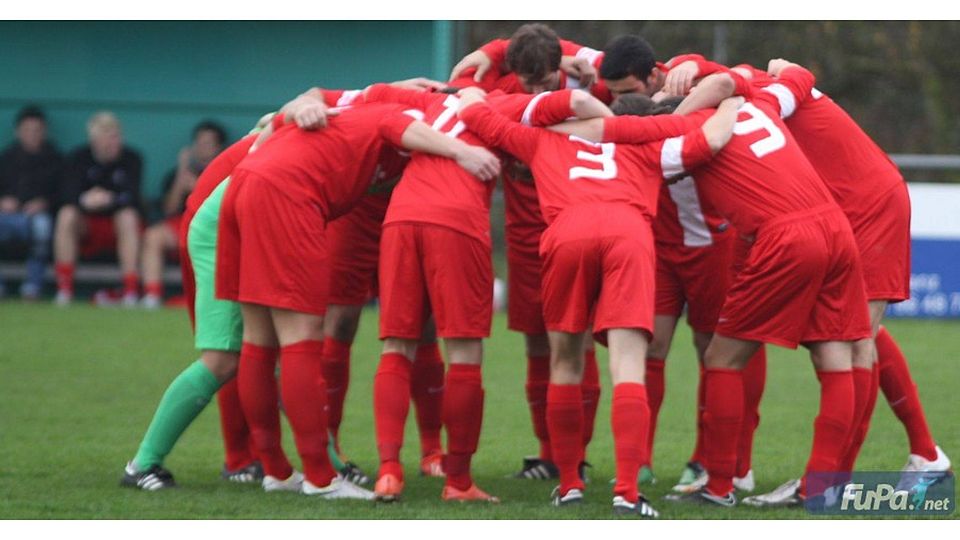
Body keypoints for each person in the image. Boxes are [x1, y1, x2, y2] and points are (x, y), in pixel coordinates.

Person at [675, 59, 952, 505]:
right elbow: (792, 75)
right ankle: (770, 474)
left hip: (861, 205)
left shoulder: (739, 87)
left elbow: (744, 79)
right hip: (827, 209)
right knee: (848, 338)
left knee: (853, 341)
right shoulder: (755, 90)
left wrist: (676, 106)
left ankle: (834, 483)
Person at [456, 85, 741, 516]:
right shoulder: (647, 144)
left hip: (567, 233)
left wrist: (479, 92)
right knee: (627, 364)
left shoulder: (542, 139)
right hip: (627, 233)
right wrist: (734, 99)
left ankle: (570, 483)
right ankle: (627, 491)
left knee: (565, 360)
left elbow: (476, 114)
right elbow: (712, 138)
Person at [216, 94, 500, 500]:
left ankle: (276, 469)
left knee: (259, 341)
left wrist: (295, 111)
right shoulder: (389, 115)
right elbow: (401, 125)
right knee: (301, 338)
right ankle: (320, 477)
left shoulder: (350, 116)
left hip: (246, 184)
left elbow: (281, 121)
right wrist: (463, 152)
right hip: (286, 195)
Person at [362, 84, 611, 503]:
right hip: (457, 221)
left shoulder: (429, 101)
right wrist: (620, 131)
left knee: (396, 347)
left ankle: (389, 471)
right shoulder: (503, 104)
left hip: (401, 217)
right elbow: (581, 103)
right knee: (463, 354)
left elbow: (378, 109)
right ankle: (458, 480)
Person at [54, 111, 143, 306]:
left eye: (115, 137)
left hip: (117, 227)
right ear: (94, 140)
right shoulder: (78, 157)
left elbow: (133, 198)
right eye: (107, 139)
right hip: (86, 227)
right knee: (66, 214)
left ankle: (130, 291)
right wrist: (85, 200)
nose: (113, 143)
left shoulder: (132, 158)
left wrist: (109, 199)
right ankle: (65, 289)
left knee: (128, 216)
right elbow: (66, 196)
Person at [140, 120, 227, 308]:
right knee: (153, 236)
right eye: (199, 143)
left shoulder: (226, 172)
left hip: (212, 226)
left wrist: (199, 189)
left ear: (218, 147)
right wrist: (181, 174)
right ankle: (152, 296)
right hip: (181, 222)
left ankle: (209, 300)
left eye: (208, 143)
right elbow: (169, 209)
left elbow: (224, 210)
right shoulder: (178, 173)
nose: (203, 148)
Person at [0, 105, 61, 300]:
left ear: (44, 132)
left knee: (42, 225)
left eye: (37, 130)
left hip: (38, 218)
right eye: (27, 130)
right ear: (18, 131)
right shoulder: (6, 158)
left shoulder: (55, 159)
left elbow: (64, 194)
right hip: (7, 217)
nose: (32, 135)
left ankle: (33, 286)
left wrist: (44, 203)